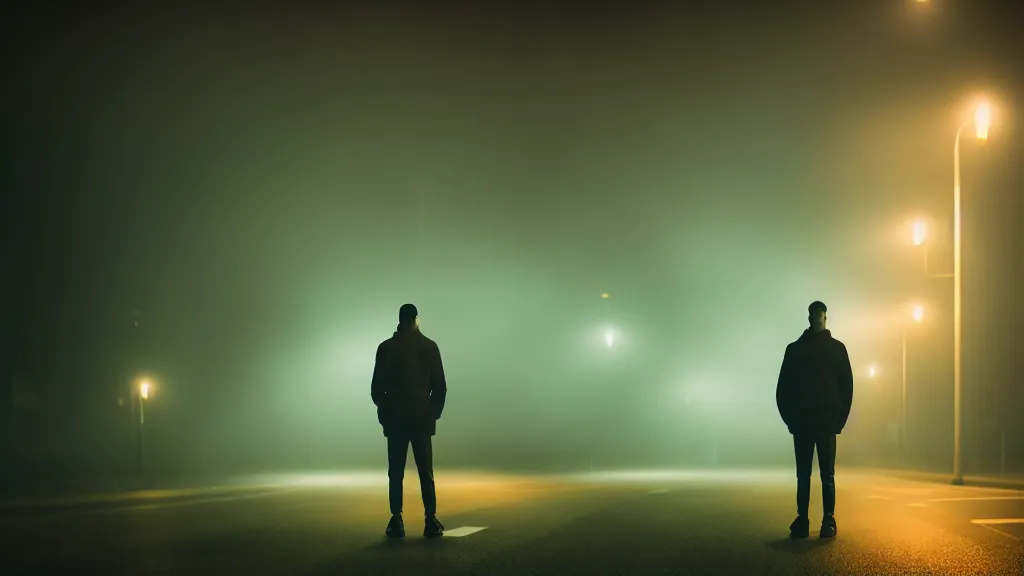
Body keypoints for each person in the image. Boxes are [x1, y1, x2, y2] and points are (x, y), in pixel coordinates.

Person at [775, 301, 853, 539]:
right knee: (819, 475)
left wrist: (792, 420)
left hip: (814, 422)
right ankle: (824, 520)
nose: (816, 318)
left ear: (820, 317)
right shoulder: (834, 349)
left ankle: (810, 520)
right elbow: (846, 387)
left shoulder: (797, 349)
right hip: (817, 422)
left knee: (811, 474)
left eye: (817, 315)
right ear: (819, 317)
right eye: (815, 315)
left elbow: (783, 390)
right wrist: (792, 420)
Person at [371, 303, 448, 538]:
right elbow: (440, 388)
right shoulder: (429, 347)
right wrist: (431, 413)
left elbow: (377, 390)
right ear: (416, 320)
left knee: (395, 472)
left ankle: (396, 519)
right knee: (426, 471)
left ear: (400, 319)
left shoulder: (386, 348)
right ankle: (430, 519)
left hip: (396, 421)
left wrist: (385, 414)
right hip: (421, 420)